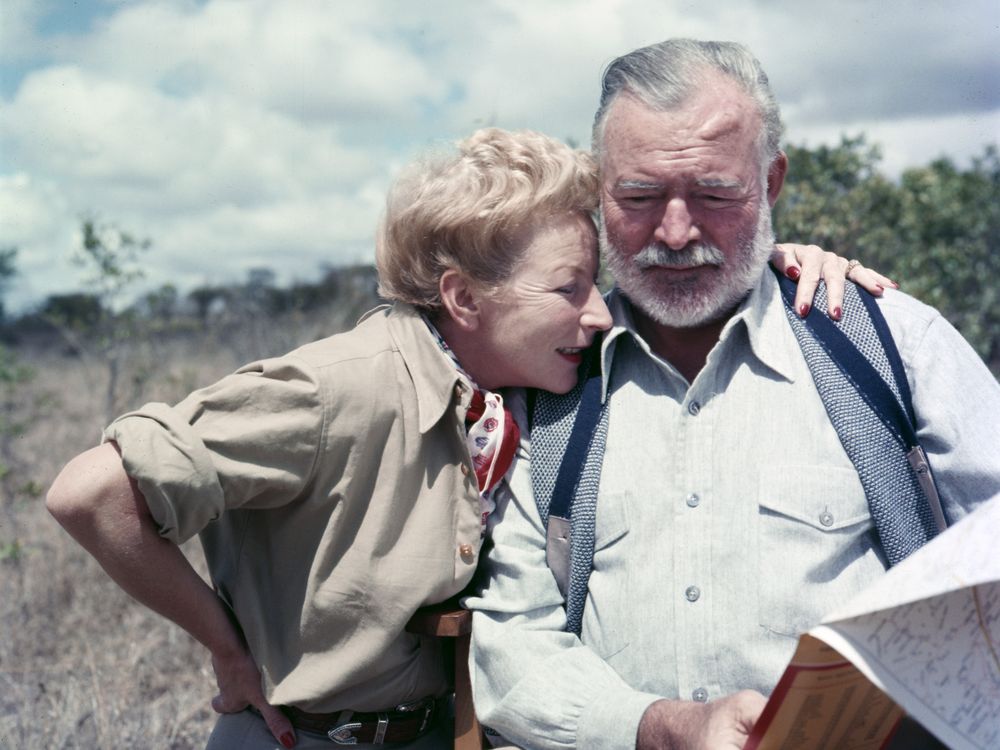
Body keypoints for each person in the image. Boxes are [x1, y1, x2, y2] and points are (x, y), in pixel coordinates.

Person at [44, 126, 864, 749]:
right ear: (464, 299)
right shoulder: (341, 386)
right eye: (568, 287)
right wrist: (227, 652)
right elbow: (91, 494)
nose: (598, 312)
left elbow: (682, 306)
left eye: (597, 283)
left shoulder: (509, 381)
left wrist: (774, 271)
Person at [467, 40, 1000, 750]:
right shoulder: (547, 383)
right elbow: (514, 647)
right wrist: (657, 727)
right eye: (640, 195)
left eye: (716, 195)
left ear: (771, 180)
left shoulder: (890, 344)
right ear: (598, 187)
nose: (677, 231)